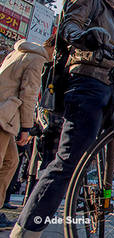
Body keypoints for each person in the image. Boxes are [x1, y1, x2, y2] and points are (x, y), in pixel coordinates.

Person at [11, 0, 114, 238]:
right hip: (87, 82)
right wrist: (86, 35)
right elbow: (70, 28)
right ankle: (26, 230)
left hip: (110, 88)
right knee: (69, 159)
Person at [0, 36, 54, 228]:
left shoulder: (18, 52)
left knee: (11, 162)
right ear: (53, 48)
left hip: (5, 114)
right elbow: (29, 93)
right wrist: (26, 127)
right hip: (4, 115)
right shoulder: (37, 59)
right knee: (5, 163)